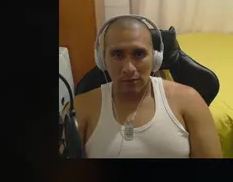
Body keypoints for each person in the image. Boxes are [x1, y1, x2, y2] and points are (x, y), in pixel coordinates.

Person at [75, 15, 222, 158]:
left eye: (139, 54)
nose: (129, 68)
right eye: (117, 55)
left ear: (155, 58)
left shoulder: (190, 100)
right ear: (102, 60)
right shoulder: (81, 107)